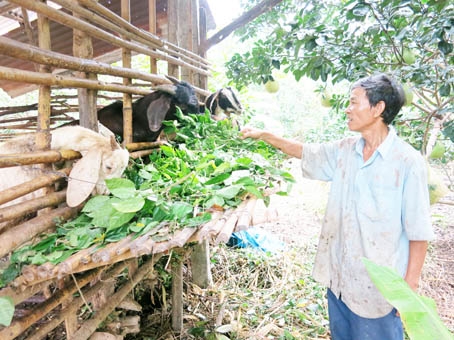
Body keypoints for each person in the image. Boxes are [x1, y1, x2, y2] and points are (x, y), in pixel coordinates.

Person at [239, 73, 434, 340]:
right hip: (340, 279)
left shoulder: (407, 162)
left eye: (354, 102)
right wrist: (265, 136)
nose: (347, 108)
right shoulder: (345, 150)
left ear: (378, 109)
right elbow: (306, 152)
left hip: (378, 290)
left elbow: (418, 230)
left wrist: (410, 285)